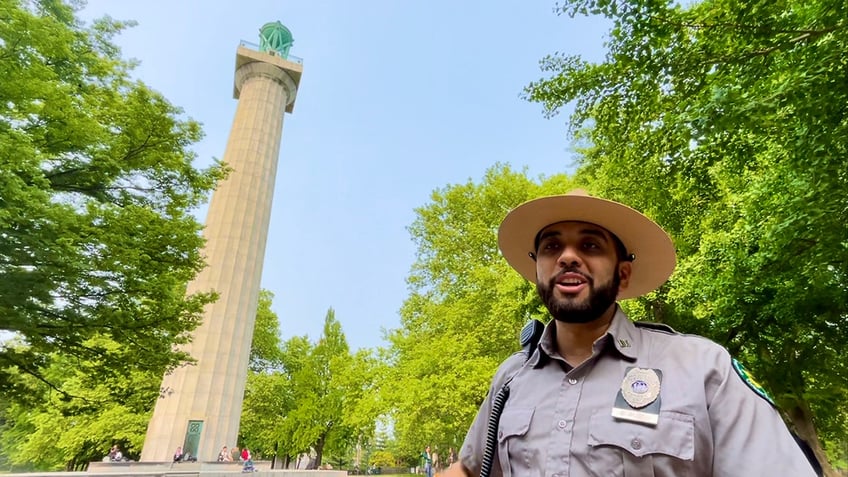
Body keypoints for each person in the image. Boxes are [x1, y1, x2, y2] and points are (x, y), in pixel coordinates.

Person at [443, 190, 820, 477]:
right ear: (539, 271)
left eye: (590, 245)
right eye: (552, 246)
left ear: (623, 274)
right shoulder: (511, 377)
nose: (567, 256)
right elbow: (468, 468)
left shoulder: (704, 369)